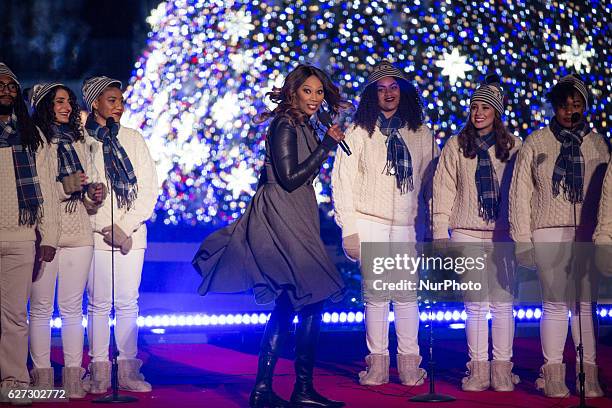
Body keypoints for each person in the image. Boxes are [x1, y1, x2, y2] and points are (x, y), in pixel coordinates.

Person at [193, 64, 347, 408]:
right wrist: (326, 146)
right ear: (293, 91)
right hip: (281, 211)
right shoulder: (284, 125)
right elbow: (290, 177)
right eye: (308, 91)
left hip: (299, 211)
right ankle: (293, 390)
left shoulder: (305, 124)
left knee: (294, 299)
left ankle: (269, 390)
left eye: (319, 92)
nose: (314, 98)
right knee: (310, 293)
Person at [331, 60, 435, 386]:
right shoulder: (360, 132)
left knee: (406, 296)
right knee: (376, 296)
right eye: (381, 89)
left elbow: (433, 184)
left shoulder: (421, 134)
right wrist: (349, 229)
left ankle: (408, 365)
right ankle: (377, 366)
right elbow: (342, 180)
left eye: (393, 88)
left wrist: (431, 227)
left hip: (406, 225)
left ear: (403, 92)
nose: (388, 94)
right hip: (370, 220)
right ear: (372, 95)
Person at [509, 74, 608, 398]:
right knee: (554, 304)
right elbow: (519, 193)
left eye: (576, 105)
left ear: (585, 107)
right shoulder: (537, 142)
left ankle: (587, 375)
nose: (570, 112)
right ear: (555, 108)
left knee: (584, 306)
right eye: (564, 106)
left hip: (587, 233)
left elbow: (607, 194)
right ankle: (553, 374)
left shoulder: (597, 143)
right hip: (548, 231)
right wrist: (522, 238)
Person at [433, 75, 521, 391]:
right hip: (466, 233)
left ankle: (501, 370)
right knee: (475, 305)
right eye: (475, 108)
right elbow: (442, 190)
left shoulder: (514, 147)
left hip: (501, 235)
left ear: (497, 113)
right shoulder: (456, 146)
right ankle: (479, 370)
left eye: (486, 108)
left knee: (502, 304)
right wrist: (440, 232)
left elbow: (522, 194)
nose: (479, 113)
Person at [81, 76, 159, 394]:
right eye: (111, 99)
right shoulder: (81, 142)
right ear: (95, 102)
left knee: (127, 303)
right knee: (98, 304)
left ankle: (127, 370)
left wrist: (125, 227)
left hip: (131, 236)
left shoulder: (133, 138)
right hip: (97, 236)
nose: (118, 106)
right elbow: (82, 190)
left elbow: (149, 188)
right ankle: (99, 370)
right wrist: (105, 226)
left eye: (121, 100)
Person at [28, 83, 106, 398]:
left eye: (69, 102)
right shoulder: (34, 142)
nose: (67, 107)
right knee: (41, 308)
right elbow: (37, 191)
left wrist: (92, 196)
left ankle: (73, 378)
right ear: (45, 105)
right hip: (46, 233)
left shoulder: (78, 142)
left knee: (74, 308)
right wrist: (65, 187)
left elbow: (85, 197)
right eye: (59, 102)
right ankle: (43, 379)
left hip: (79, 232)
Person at [0, 63, 59, 405]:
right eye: (0, 85)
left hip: (21, 236)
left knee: (14, 316)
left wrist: (48, 236)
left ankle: (14, 380)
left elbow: (47, 192)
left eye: (11, 86)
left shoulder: (30, 135)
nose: (6, 90)